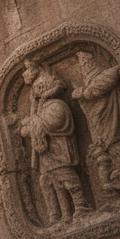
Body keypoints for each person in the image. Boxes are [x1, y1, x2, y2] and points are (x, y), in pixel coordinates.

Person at [18, 60, 91, 225]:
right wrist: (32, 120)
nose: (35, 94)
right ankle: (62, 215)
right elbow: (34, 123)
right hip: (47, 155)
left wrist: (33, 124)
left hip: (60, 151)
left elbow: (52, 123)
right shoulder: (43, 109)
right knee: (50, 182)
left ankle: (81, 207)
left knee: (68, 179)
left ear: (44, 90)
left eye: (37, 90)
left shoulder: (57, 106)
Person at [71, 51, 120, 192]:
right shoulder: (93, 82)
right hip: (102, 130)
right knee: (110, 158)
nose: (84, 68)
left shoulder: (105, 76)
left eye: (85, 64)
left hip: (116, 126)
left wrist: (82, 92)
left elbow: (95, 89)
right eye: (82, 66)